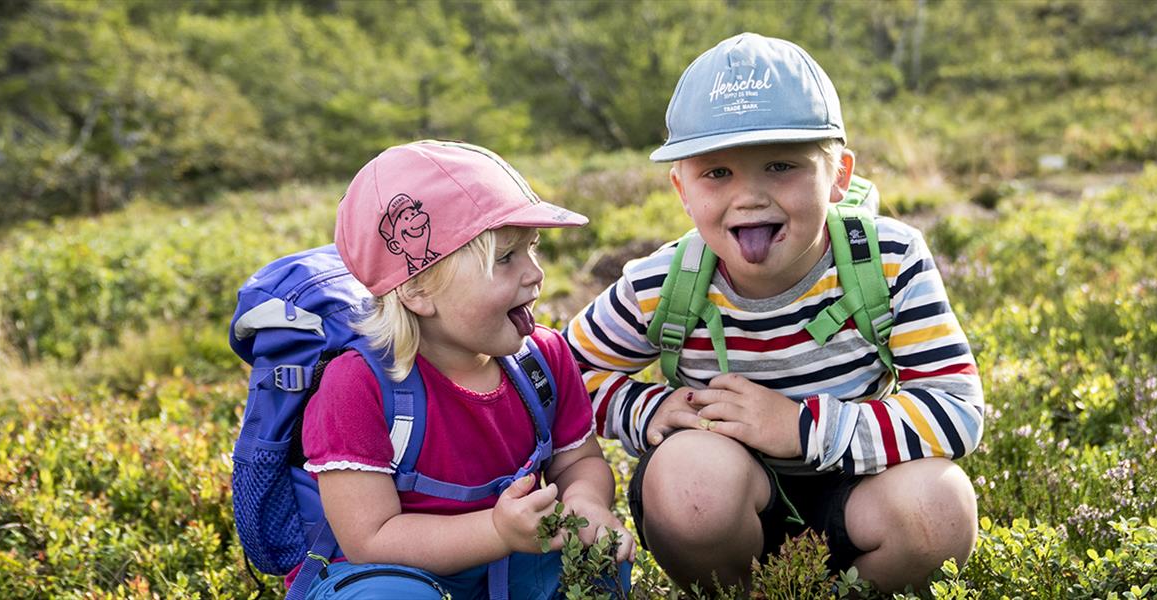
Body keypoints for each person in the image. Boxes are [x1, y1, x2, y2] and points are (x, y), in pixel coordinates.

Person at [563, 33, 982, 593]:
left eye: (780, 165)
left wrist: (801, 427)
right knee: (688, 480)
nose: (750, 197)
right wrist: (650, 410)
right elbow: (562, 378)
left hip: (860, 497)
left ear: (838, 177)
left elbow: (956, 410)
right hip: (727, 507)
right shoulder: (661, 284)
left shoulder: (885, 260)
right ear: (682, 190)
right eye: (718, 173)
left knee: (941, 506)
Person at [302, 141, 631, 599]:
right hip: (396, 572)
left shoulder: (544, 359)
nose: (535, 274)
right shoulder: (359, 386)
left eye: (531, 249)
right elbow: (370, 538)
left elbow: (580, 462)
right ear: (417, 289)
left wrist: (585, 501)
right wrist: (495, 532)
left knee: (596, 560)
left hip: (511, 559)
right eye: (505, 258)